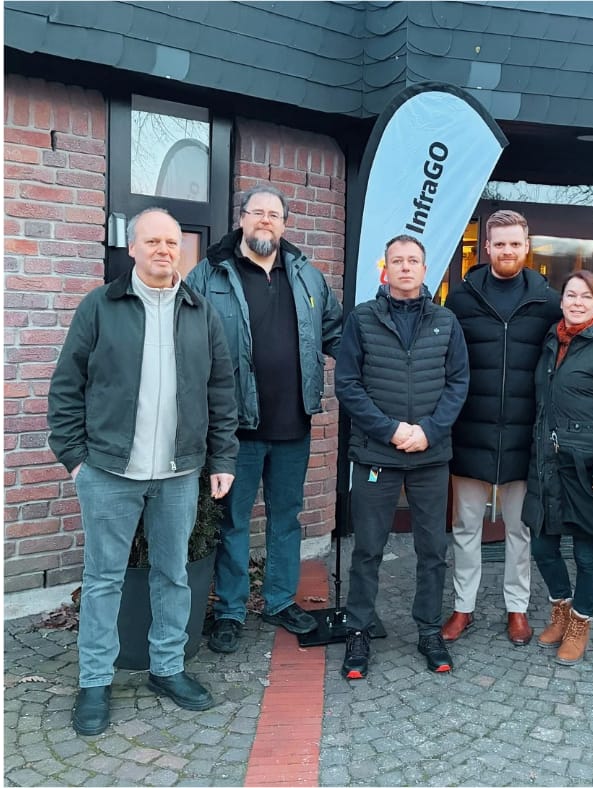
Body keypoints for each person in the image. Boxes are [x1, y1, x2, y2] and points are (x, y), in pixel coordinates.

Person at [48, 208, 239, 736]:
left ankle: (167, 668)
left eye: (171, 242)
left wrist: (222, 460)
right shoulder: (100, 306)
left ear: (181, 250)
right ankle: (94, 680)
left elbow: (222, 392)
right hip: (108, 471)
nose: (162, 250)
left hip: (178, 473)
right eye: (152, 241)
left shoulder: (200, 311)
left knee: (173, 574)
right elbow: (66, 385)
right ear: (132, 248)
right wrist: (75, 459)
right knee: (103, 579)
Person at [187, 186, 343, 653]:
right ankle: (230, 609)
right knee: (233, 521)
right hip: (235, 429)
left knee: (286, 518)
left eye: (274, 214)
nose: (266, 221)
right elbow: (185, 339)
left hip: (294, 423)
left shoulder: (307, 276)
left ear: (285, 224)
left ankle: (278, 600)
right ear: (242, 218)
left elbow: (335, 333)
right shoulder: (210, 273)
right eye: (257, 212)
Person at [335, 234, 470, 679]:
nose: (406, 267)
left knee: (433, 550)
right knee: (367, 549)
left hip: (430, 455)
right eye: (398, 260)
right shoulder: (362, 319)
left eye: (413, 260)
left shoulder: (446, 321)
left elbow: (458, 383)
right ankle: (358, 630)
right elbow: (347, 384)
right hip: (376, 452)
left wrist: (428, 431)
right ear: (386, 269)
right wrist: (390, 430)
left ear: (425, 270)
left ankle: (429, 631)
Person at [441, 210, 562, 646]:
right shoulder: (461, 300)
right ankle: (463, 607)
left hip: (523, 435)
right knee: (465, 529)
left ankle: (517, 608)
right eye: (500, 244)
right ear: (486, 247)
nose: (507, 251)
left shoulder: (549, 302)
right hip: (470, 431)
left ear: (526, 246)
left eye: (515, 243)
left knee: (519, 530)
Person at [522, 270, 593, 665]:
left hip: (586, 466)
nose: (576, 302)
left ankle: (580, 622)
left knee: (587, 552)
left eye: (585, 296)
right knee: (542, 545)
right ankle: (561, 607)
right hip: (546, 462)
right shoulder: (551, 342)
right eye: (571, 295)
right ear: (562, 300)